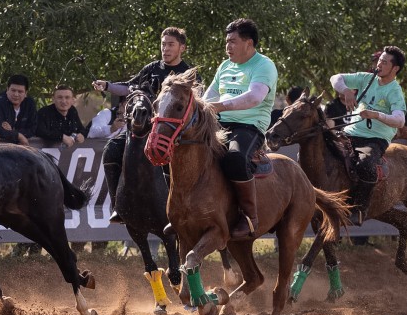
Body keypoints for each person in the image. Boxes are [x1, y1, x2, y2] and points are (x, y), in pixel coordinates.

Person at [91, 27, 195, 223]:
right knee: (111, 150)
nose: (165, 48)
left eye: (170, 44)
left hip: (172, 133)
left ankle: (179, 211)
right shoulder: (152, 68)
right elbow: (128, 86)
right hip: (144, 129)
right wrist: (106, 85)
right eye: (163, 44)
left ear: (183, 48)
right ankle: (119, 207)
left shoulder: (188, 74)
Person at [204, 18, 278, 239]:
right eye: (226, 42)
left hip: (249, 126)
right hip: (218, 123)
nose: (228, 47)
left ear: (249, 43)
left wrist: (220, 106)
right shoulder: (224, 66)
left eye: (233, 41)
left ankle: (249, 217)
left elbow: (255, 97)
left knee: (235, 158)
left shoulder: (264, 65)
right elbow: (209, 97)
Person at [330, 46, 407, 225]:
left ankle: (360, 209)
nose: (379, 64)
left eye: (385, 62)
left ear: (395, 69)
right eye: (380, 60)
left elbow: (400, 120)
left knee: (365, 165)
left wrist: (377, 115)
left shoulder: (395, 91)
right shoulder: (366, 78)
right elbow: (336, 78)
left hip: (374, 140)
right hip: (348, 133)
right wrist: (346, 90)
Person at [0, 74, 38, 145]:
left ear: (26, 93)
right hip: (3, 146)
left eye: (20, 92)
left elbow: (32, 129)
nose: (16, 94)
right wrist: (19, 136)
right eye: (13, 90)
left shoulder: (30, 104)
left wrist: (13, 131)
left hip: (23, 147)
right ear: (7, 90)